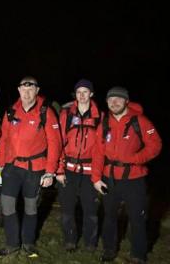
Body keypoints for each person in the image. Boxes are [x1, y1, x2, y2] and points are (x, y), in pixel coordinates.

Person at [0, 76, 62, 259]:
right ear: (18, 90)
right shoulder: (11, 111)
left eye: (31, 89)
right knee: (7, 206)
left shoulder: (46, 112)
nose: (27, 93)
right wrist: (1, 164)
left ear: (37, 91)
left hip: (35, 168)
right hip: (12, 168)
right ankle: (12, 244)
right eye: (24, 89)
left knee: (30, 207)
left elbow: (55, 143)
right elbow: (4, 139)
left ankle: (28, 244)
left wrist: (50, 171)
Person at [92, 86, 161, 264]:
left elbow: (155, 145)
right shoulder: (104, 123)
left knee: (137, 217)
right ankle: (109, 250)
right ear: (107, 102)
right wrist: (96, 178)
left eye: (118, 99)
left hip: (134, 179)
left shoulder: (140, 121)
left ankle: (138, 254)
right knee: (109, 216)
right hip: (109, 178)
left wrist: (137, 158)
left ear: (126, 101)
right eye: (111, 100)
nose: (114, 102)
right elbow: (98, 152)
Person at [55, 79, 101, 252]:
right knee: (67, 209)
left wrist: (97, 176)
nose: (82, 95)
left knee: (90, 210)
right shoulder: (66, 115)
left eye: (85, 91)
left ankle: (90, 243)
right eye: (79, 92)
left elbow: (101, 149)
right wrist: (59, 170)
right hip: (68, 170)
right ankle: (70, 240)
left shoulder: (99, 117)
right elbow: (58, 143)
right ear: (75, 95)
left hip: (90, 172)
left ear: (91, 94)